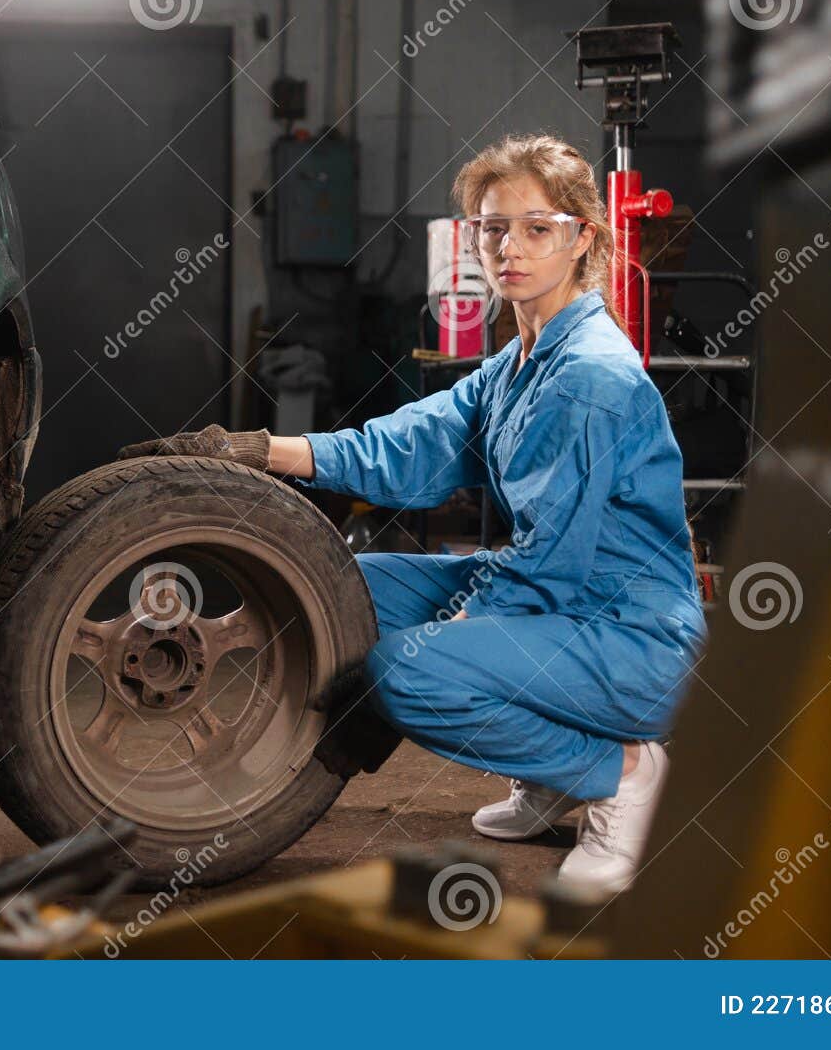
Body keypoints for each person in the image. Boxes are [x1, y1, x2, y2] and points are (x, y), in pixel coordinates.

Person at [119, 132, 707, 899]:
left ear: (582, 238)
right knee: (346, 586)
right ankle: (554, 773)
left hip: (629, 639)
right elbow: (410, 445)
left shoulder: (591, 376)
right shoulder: (518, 362)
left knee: (408, 674)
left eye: (537, 229)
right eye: (494, 229)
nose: (510, 249)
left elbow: (553, 560)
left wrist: (465, 628)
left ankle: (622, 774)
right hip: (561, 604)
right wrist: (263, 450)